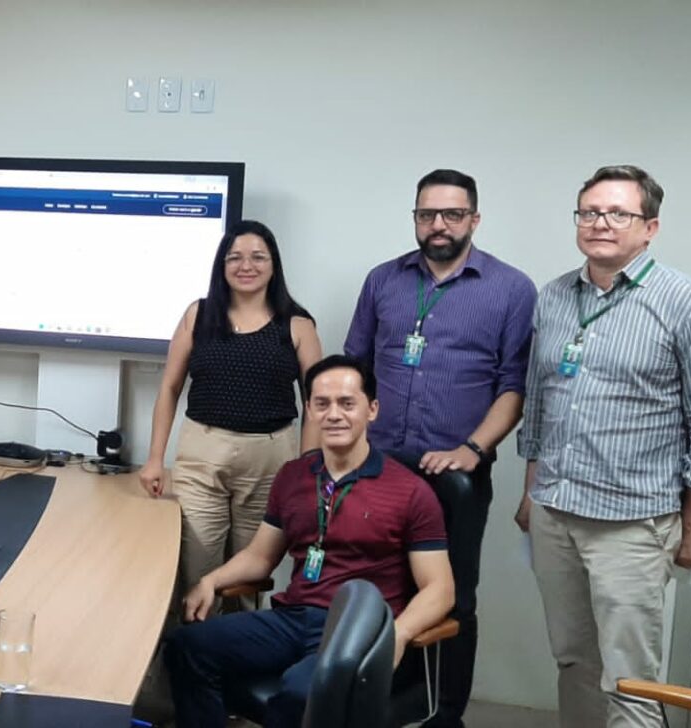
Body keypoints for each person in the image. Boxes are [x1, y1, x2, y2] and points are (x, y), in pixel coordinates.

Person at [516, 165, 691, 728]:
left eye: (619, 213)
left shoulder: (686, 302)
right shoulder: (554, 296)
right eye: (590, 212)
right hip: (554, 513)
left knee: (630, 678)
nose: (601, 223)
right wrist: (530, 493)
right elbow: (539, 403)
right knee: (573, 660)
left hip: (631, 523)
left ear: (650, 227)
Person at [342, 169, 536, 726]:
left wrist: (474, 448)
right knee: (376, 587)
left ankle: (445, 714)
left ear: (474, 219)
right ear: (415, 219)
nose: (439, 225)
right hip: (378, 467)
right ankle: (376, 706)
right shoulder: (383, 280)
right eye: (427, 214)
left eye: (452, 214)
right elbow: (355, 368)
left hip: (455, 474)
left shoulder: (511, 288)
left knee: (454, 596)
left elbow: (514, 385)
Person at [165, 356, 454, 728]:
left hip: (356, 631)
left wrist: (399, 634)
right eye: (322, 404)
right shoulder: (293, 476)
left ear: (372, 410)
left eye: (347, 403)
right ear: (311, 411)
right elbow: (260, 557)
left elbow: (440, 589)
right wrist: (210, 581)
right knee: (187, 647)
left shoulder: (410, 491)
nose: (334, 414)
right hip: (294, 619)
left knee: (302, 692)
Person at [138, 220, 323, 605]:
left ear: (274, 264)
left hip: (270, 461)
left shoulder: (298, 324)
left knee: (248, 575)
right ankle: (193, 641)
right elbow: (169, 388)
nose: (246, 266)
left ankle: (240, 640)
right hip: (202, 457)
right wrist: (155, 458)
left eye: (258, 257)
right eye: (235, 257)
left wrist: (307, 469)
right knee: (196, 570)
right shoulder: (199, 314)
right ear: (222, 265)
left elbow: (316, 402)